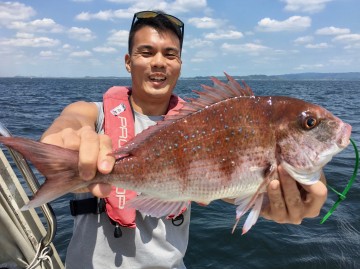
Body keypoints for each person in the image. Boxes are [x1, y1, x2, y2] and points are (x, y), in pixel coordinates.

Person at [40, 10, 328, 268]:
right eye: (146, 52)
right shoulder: (93, 113)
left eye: (170, 54)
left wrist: (304, 186)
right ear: (128, 62)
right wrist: (64, 139)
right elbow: (72, 123)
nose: (158, 63)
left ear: (179, 63)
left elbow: (231, 180)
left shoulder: (199, 124)